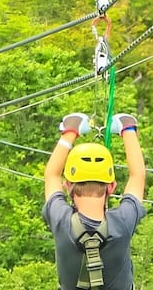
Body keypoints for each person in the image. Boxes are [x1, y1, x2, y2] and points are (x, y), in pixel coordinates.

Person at [43, 113, 146, 290]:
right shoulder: (123, 222)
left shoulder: (60, 219)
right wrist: (127, 129)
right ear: (111, 187)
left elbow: (51, 175)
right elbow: (138, 176)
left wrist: (70, 132)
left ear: (67, 185)